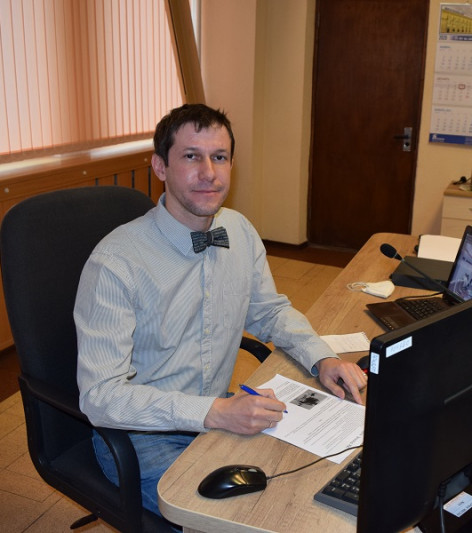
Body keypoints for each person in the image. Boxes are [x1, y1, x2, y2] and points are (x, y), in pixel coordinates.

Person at [74, 103, 367, 521]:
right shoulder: (116, 263)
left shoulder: (239, 231)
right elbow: (101, 397)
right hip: (139, 436)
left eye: (220, 157)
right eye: (191, 156)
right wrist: (214, 412)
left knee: (312, 480)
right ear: (160, 166)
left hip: (216, 411)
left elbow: (269, 311)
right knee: (249, 518)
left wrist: (322, 358)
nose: (208, 172)